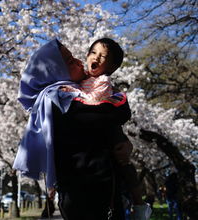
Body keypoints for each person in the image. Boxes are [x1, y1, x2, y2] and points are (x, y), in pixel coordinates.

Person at [13, 38, 132, 220]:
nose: (78, 61)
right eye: (70, 61)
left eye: (75, 57)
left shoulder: (78, 91)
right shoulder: (57, 98)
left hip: (99, 189)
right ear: (55, 70)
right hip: (87, 194)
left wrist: (124, 141)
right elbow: (111, 113)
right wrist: (121, 102)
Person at [59, 38, 152, 220]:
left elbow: (98, 104)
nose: (97, 58)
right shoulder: (79, 79)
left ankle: (139, 205)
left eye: (103, 57)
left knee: (123, 161)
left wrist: (71, 94)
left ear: (111, 67)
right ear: (87, 56)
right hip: (81, 169)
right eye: (94, 53)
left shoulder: (104, 82)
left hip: (110, 133)